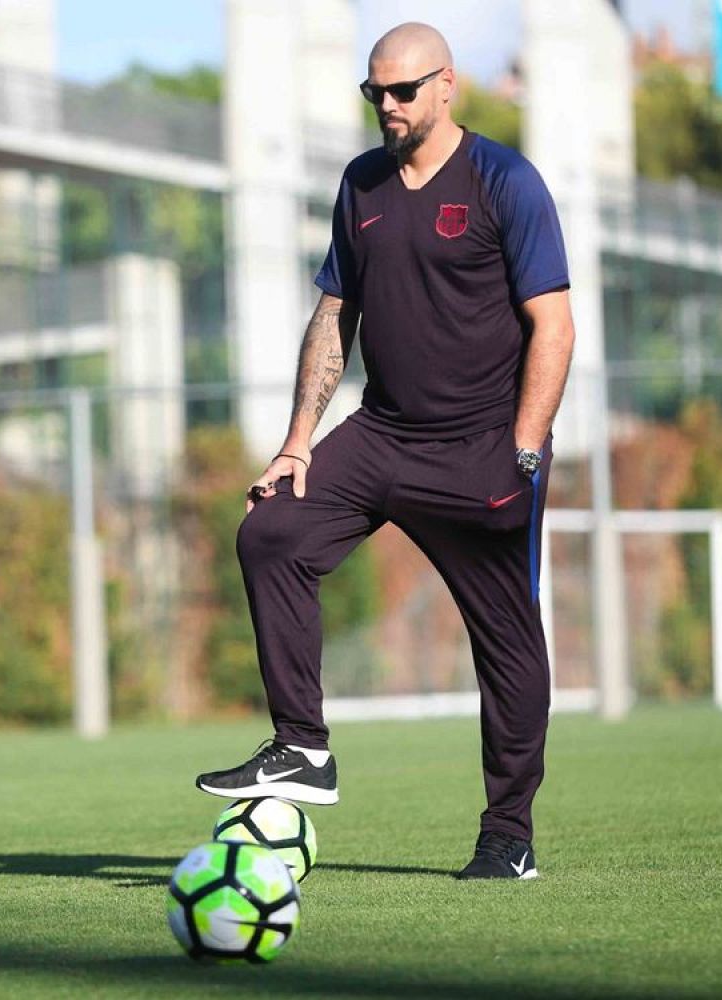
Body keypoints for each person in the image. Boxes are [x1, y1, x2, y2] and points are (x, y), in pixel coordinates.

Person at [193, 22, 575, 881]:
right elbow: (336, 314)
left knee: (508, 644)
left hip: (483, 446)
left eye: (404, 91)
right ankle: (302, 747)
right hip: (385, 432)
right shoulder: (361, 183)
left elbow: (553, 324)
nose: (389, 107)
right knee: (271, 533)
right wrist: (297, 441)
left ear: (447, 87)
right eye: (376, 93)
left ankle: (507, 835)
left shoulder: (505, 182)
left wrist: (522, 451)